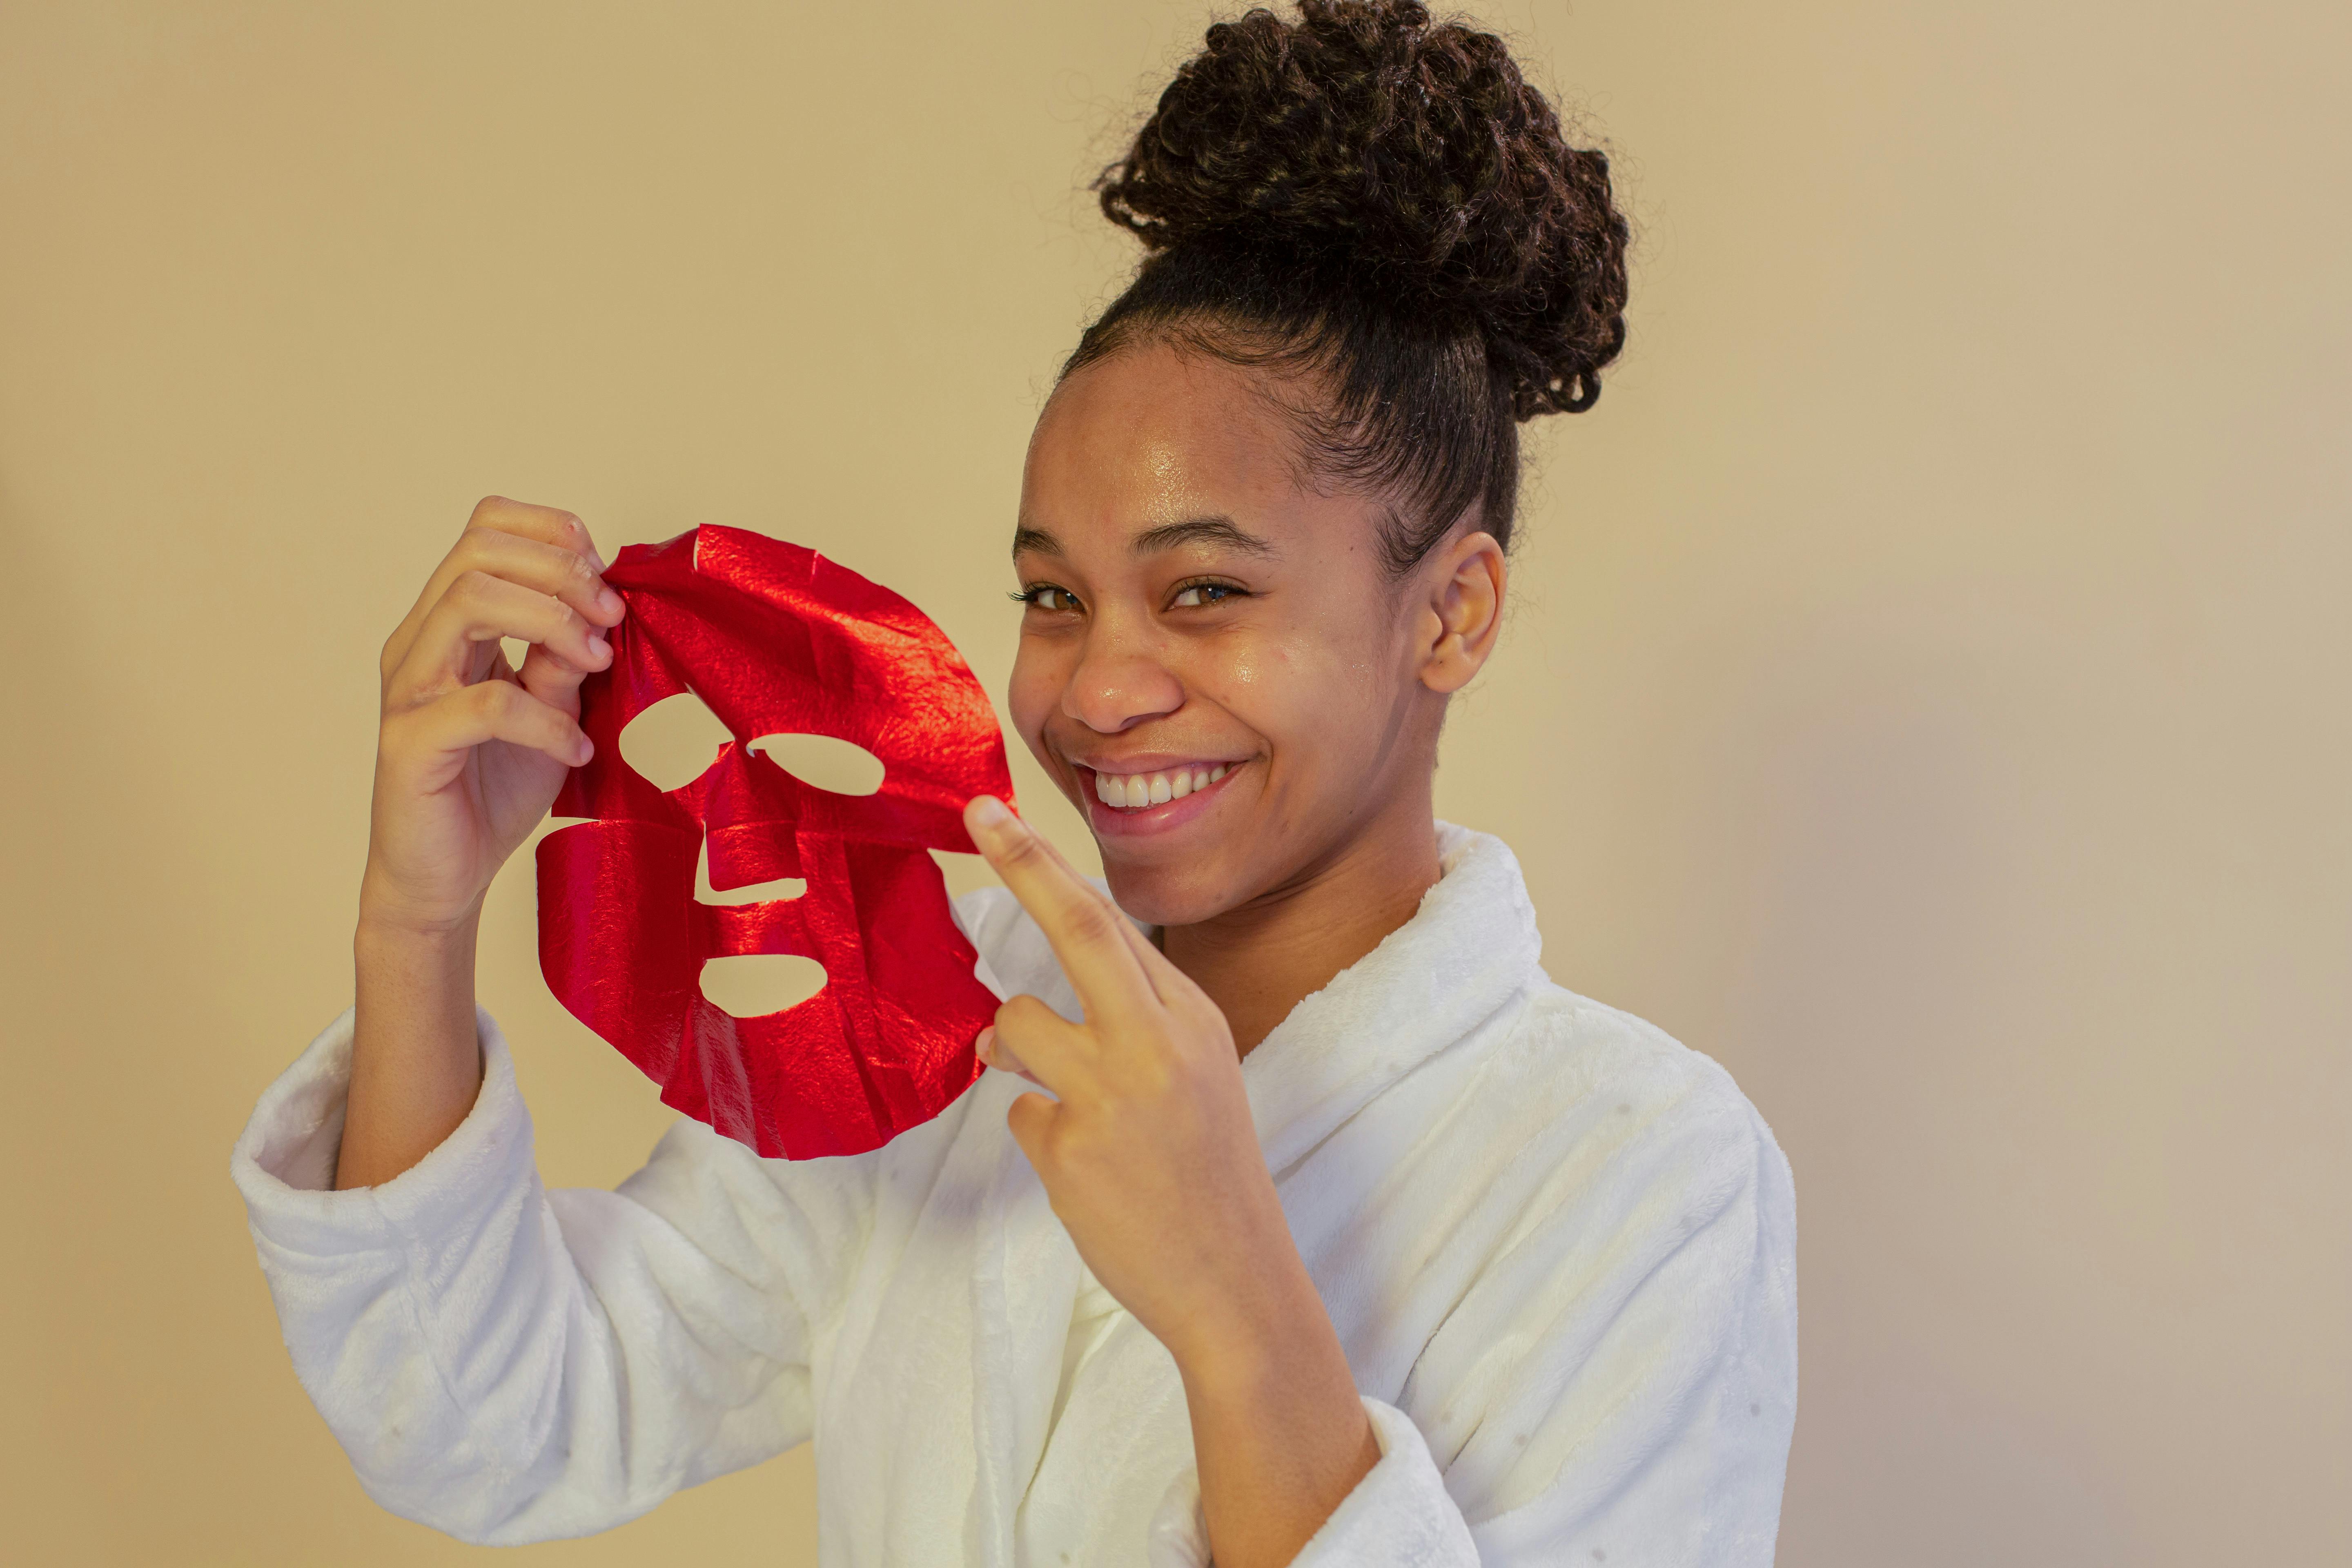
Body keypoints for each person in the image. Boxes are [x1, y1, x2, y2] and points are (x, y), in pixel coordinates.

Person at [230, 3, 1797, 1564]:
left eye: (1203, 596)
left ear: (1450, 611)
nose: (1097, 692)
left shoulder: (1641, 1170)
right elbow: (499, 1429)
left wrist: (1233, 1294)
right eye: (1054, 598)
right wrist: (416, 918)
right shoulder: (932, 1010)